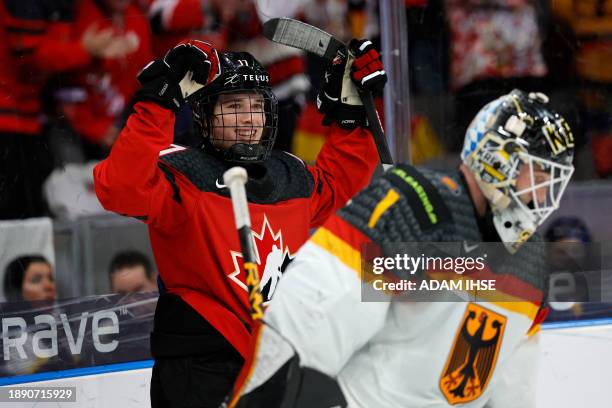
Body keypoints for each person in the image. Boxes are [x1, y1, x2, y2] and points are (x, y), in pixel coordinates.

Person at [227, 89, 576, 407]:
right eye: (538, 175)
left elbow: (512, 387)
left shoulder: (531, 261)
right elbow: (310, 321)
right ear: (497, 159)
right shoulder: (414, 206)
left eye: (551, 181)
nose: (544, 196)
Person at [93, 37, 384, 407]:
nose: (248, 119)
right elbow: (119, 189)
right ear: (204, 115)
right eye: (232, 106)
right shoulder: (179, 173)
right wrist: (158, 103)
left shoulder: (289, 174)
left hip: (276, 360)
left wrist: (353, 116)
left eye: (257, 107)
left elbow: (340, 183)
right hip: (201, 366)